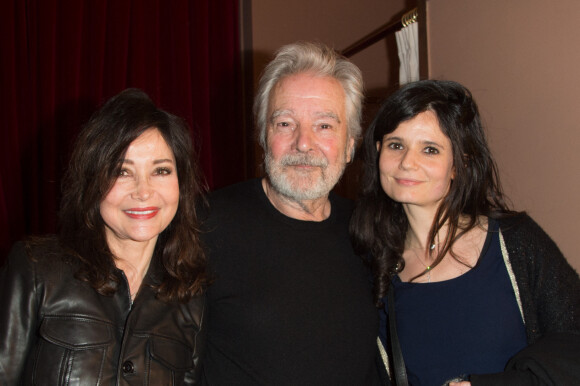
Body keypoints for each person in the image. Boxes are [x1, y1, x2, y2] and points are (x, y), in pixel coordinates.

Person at [350, 79, 580, 385]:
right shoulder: (374, 267)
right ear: (378, 151)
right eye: (396, 145)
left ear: (458, 165)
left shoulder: (514, 242)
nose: (407, 162)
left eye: (430, 149)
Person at [199, 41, 383, 385]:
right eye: (285, 123)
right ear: (263, 135)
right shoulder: (201, 226)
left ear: (350, 146)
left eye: (325, 126)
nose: (303, 143)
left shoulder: (371, 231)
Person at [0, 89, 209, 385]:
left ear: (181, 184)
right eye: (122, 171)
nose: (143, 191)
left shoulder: (190, 299)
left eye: (161, 170)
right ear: (92, 180)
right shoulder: (36, 269)